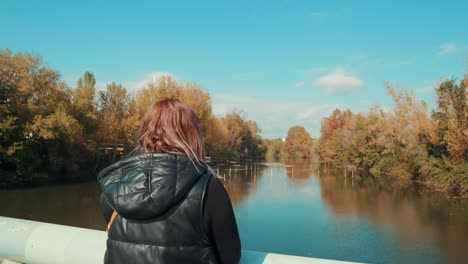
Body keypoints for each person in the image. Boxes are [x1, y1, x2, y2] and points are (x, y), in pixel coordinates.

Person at [98, 98, 241, 264]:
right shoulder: (209, 189)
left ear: (145, 132)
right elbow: (230, 257)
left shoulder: (116, 184)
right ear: (192, 136)